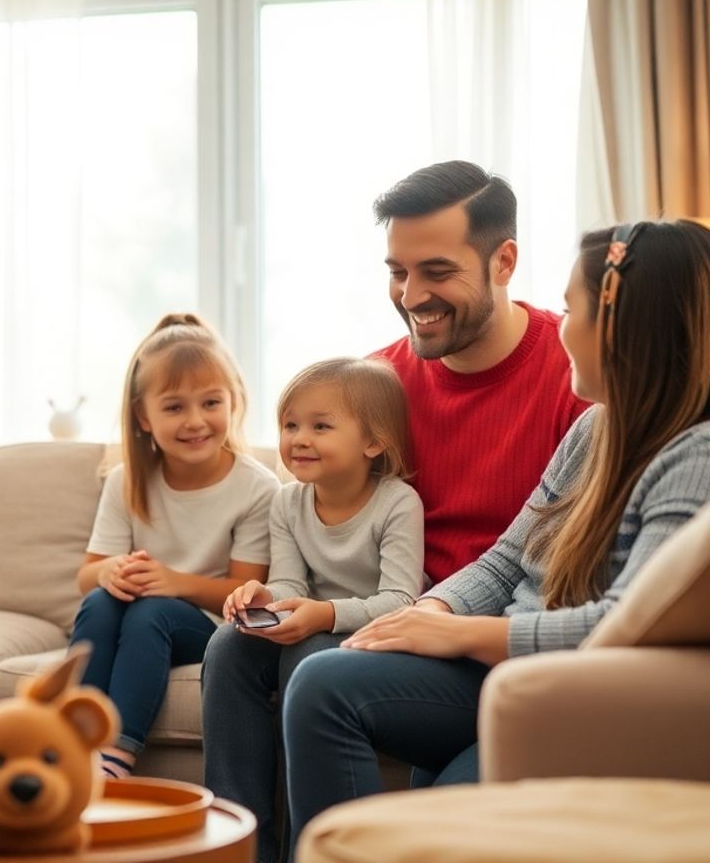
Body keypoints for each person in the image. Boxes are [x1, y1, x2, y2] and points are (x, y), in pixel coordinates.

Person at [282, 219, 710, 844]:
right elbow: (508, 560)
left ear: (622, 327)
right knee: (319, 682)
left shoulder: (693, 456)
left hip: (556, 688)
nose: (559, 328)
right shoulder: (594, 430)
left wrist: (461, 633)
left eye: (571, 309)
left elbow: (619, 626)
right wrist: (427, 612)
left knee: (440, 816)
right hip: (493, 665)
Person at [203, 357, 424, 862]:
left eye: (320, 426)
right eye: (290, 425)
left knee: (309, 658)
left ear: (373, 443)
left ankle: (302, 849)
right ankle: (239, 847)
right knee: (229, 643)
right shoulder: (286, 502)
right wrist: (264, 598)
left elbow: (401, 601)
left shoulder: (397, 504)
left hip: (366, 636)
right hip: (307, 623)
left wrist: (323, 614)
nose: (299, 438)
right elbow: (287, 584)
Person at [71, 313, 279, 778]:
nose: (195, 421)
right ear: (144, 417)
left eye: (211, 402)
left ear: (234, 402)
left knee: (153, 610)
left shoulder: (256, 488)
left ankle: (115, 758)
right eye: (174, 407)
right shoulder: (127, 480)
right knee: (101, 602)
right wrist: (112, 572)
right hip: (138, 616)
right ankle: (71, 741)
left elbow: (248, 589)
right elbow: (87, 574)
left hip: (209, 627)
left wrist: (173, 582)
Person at [373, 160, 589, 586]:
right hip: (390, 611)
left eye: (437, 272)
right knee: (243, 640)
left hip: (511, 622)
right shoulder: (374, 383)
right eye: (398, 273)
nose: (411, 296)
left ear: (503, 263)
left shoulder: (583, 374)